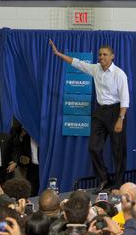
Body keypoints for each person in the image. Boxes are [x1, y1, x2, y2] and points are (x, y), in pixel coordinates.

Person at [49, 40, 130, 192]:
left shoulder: (119, 74)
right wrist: (59, 54)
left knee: (118, 150)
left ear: (112, 56)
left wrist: (121, 119)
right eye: (100, 54)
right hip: (100, 111)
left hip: (116, 112)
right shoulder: (95, 69)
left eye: (105, 54)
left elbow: (125, 99)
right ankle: (104, 179)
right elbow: (77, 63)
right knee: (94, 147)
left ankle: (118, 183)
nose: (101, 57)